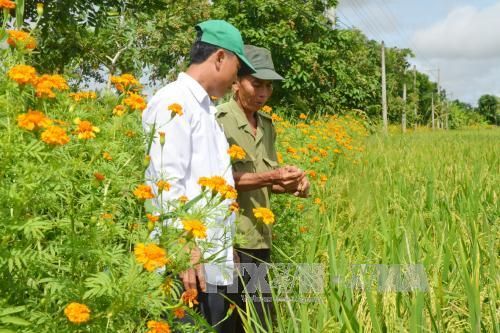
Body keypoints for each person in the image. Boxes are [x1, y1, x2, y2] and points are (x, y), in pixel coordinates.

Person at [142, 20, 255, 332]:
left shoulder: (204, 109)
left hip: (210, 265)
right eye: (237, 66)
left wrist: (225, 245)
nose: (237, 78)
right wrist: (183, 247)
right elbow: (163, 182)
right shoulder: (173, 102)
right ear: (220, 57)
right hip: (186, 268)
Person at [216, 45, 310, 332]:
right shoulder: (219, 121)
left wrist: (293, 183)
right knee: (230, 323)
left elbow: (268, 179)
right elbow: (219, 179)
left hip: (260, 239)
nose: (263, 93)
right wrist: (274, 176)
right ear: (236, 82)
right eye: (256, 84)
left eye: (269, 86)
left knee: (261, 323)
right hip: (230, 242)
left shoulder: (267, 124)